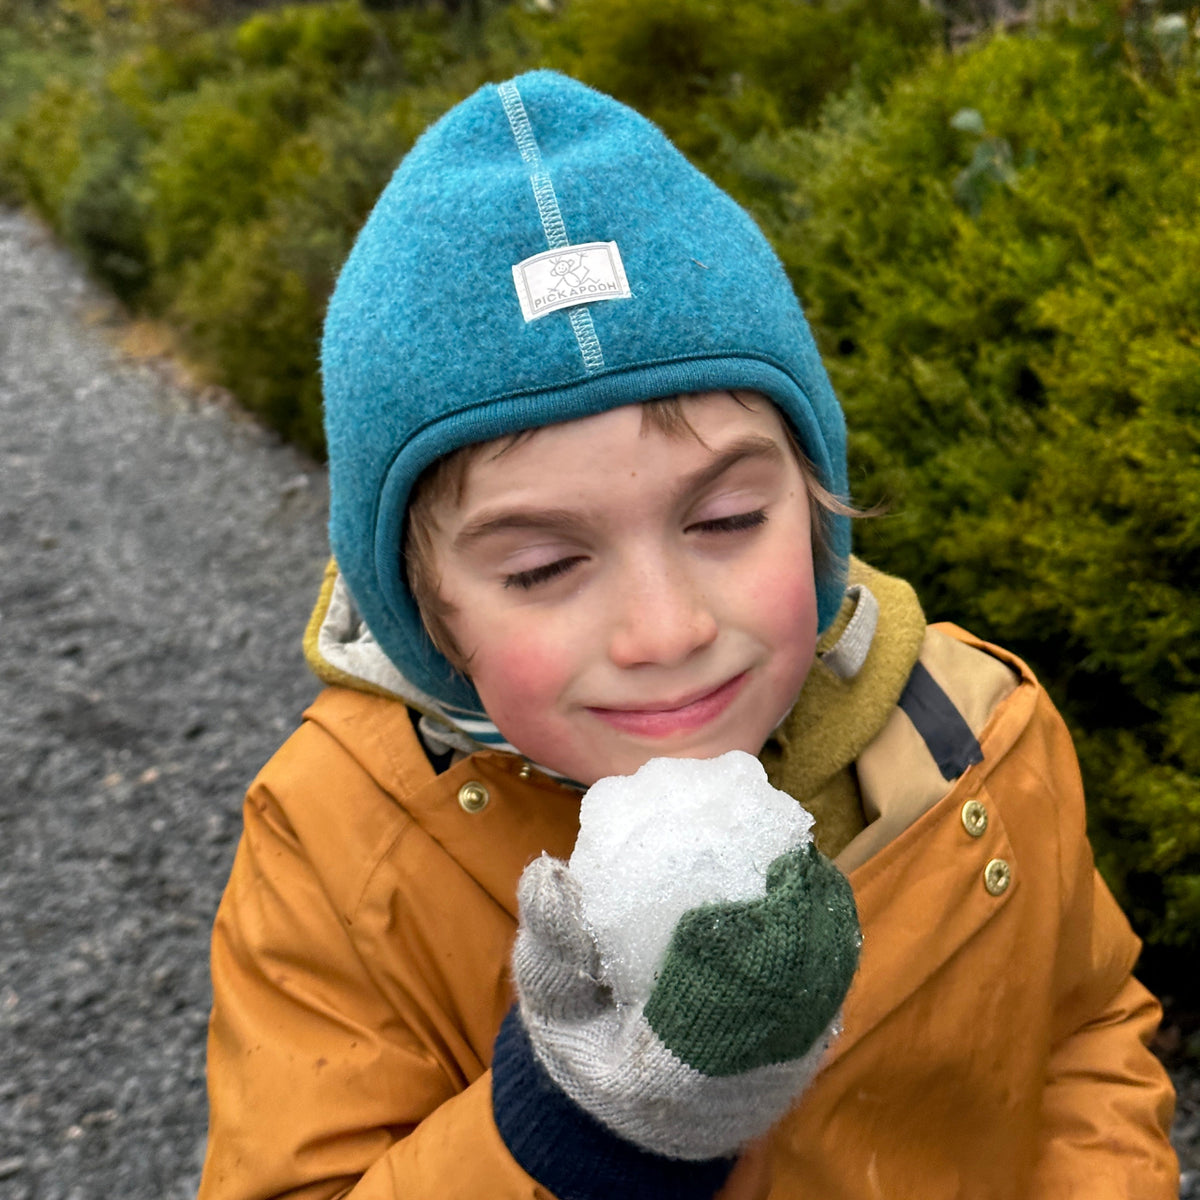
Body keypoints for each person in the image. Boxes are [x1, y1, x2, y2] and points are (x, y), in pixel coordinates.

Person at [197, 71, 1178, 1199]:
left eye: (724, 520)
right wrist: (579, 1127)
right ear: (426, 607)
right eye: (544, 567)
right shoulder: (337, 839)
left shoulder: (976, 732)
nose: (666, 632)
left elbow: (1086, 1031)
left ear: (814, 504)